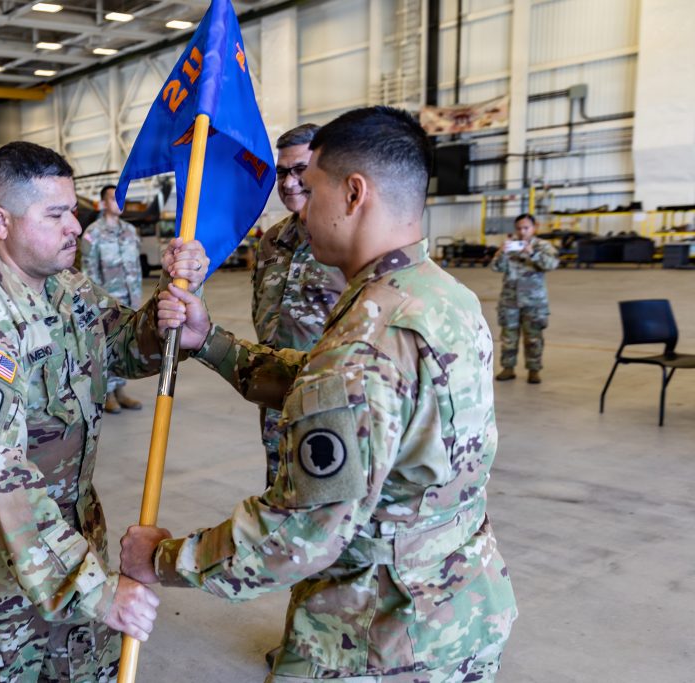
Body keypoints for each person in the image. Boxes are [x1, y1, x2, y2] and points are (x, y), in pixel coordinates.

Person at [121, 107, 517, 682]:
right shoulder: (437, 297)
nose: (299, 202)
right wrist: (211, 343)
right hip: (458, 604)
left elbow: (296, 537)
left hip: (375, 635)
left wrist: (160, 558)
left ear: (353, 193)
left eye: (312, 187)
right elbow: (325, 380)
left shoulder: (369, 339)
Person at [0, 141, 208, 681]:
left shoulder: (65, 288)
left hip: (67, 545)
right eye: (56, 214)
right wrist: (94, 587)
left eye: (73, 211)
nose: (76, 227)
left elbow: (120, 344)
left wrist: (174, 303)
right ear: (0, 221)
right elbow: (2, 481)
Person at [252, 123, 347, 485]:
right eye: (281, 172)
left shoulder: (346, 239)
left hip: (330, 398)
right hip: (275, 394)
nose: (289, 182)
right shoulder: (272, 240)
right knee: (277, 490)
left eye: (300, 171)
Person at [79, 184, 144, 413]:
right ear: (104, 203)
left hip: (129, 300)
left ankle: (120, 391)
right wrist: (95, 304)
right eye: (114, 199)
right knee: (104, 348)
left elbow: (136, 268)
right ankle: (105, 393)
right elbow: (88, 272)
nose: (120, 203)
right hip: (106, 303)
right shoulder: (92, 234)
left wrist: (137, 299)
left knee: (124, 346)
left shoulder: (130, 231)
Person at [491, 213, 559, 384]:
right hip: (510, 300)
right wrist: (501, 253)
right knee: (508, 337)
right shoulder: (511, 246)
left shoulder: (543, 246)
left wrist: (532, 253)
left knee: (534, 337)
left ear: (535, 227)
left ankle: (534, 370)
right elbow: (496, 267)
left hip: (534, 301)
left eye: (526, 228)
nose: (522, 232)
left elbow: (551, 265)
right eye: (519, 228)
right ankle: (508, 368)